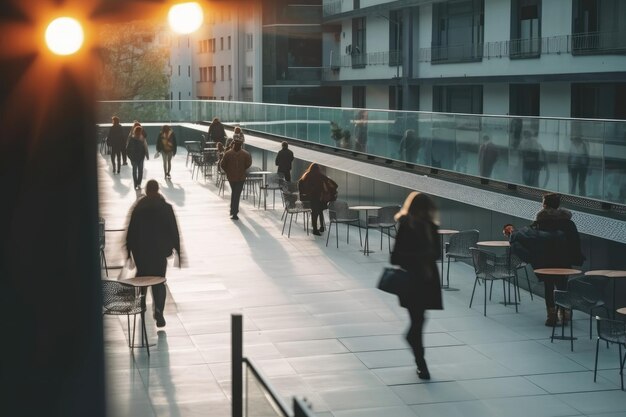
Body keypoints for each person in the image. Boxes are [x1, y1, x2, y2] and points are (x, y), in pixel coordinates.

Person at [508, 193, 585, 326]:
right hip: (564, 259)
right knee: (562, 286)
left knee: (549, 287)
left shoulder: (540, 221)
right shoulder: (568, 222)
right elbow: (574, 241)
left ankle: (552, 316)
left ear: (545, 205)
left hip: (546, 259)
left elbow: (531, 238)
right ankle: (565, 313)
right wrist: (575, 258)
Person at [390, 192, 442, 380]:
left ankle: (414, 343)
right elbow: (395, 257)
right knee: (418, 320)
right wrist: (421, 257)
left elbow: (436, 254)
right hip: (415, 280)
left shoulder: (429, 227)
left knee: (419, 319)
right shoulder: (408, 226)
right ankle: (422, 364)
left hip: (423, 280)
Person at [126, 180, 182, 328]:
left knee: (143, 277)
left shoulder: (138, 208)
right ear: (157, 190)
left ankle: (142, 304)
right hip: (159, 252)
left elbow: (131, 231)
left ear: (146, 190)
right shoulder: (166, 208)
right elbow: (173, 230)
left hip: (141, 251)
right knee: (159, 281)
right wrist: (178, 251)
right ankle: (159, 312)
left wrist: (128, 252)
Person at [298, 163, 337, 236]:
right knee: (319, 209)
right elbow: (335, 185)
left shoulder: (306, 176)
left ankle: (316, 228)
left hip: (306, 201)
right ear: (318, 169)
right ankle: (319, 227)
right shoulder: (321, 176)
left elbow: (300, 186)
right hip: (318, 200)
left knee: (316, 209)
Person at [219, 137, 251, 220]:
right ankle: (234, 212)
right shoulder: (245, 154)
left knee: (235, 193)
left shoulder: (228, 154)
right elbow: (248, 163)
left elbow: (222, 165)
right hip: (241, 177)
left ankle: (233, 211)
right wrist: (243, 169)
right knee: (236, 194)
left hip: (232, 177)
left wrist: (228, 171)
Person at [126, 125, 149, 190]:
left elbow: (127, 149)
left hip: (134, 158)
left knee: (135, 171)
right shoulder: (142, 139)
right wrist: (147, 155)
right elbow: (145, 147)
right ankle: (138, 184)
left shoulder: (132, 138)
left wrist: (130, 157)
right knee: (140, 171)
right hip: (140, 157)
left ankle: (136, 184)